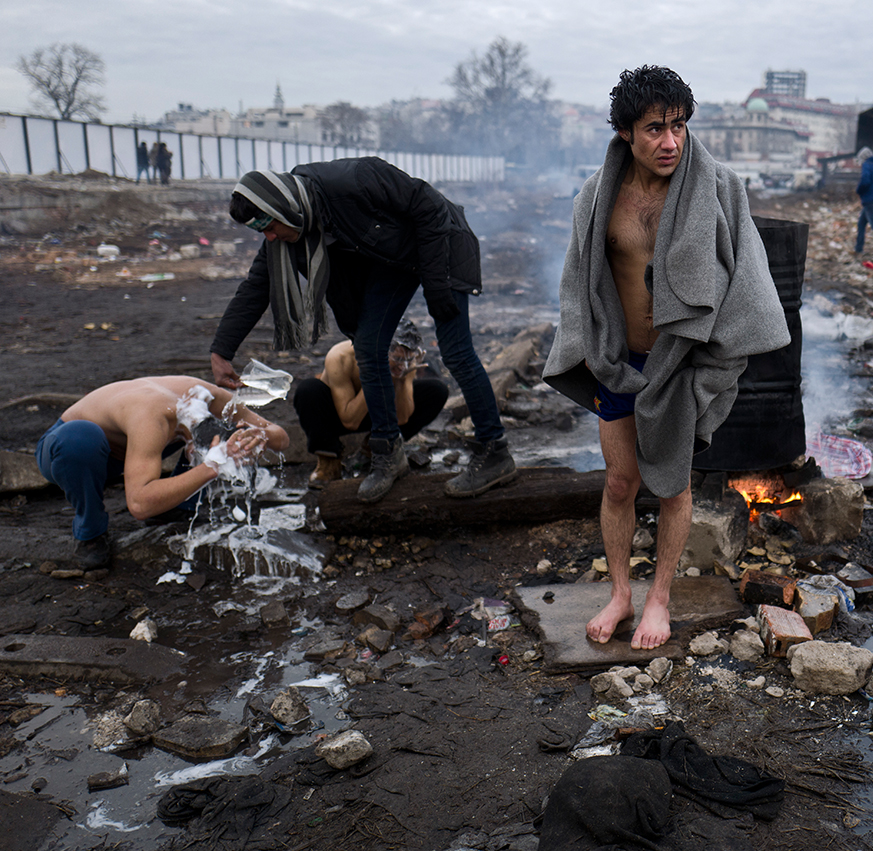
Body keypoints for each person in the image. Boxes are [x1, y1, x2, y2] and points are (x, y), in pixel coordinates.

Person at [543, 66, 789, 650]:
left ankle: (660, 599)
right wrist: (588, 344)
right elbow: (581, 280)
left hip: (678, 362)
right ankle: (622, 593)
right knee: (621, 482)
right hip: (618, 358)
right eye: (655, 128)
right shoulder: (598, 197)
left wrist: (717, 363)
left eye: (678, 125)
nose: (671, 141)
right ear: (626, 132)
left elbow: (747, 285)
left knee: (674, 488)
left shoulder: (719, 187)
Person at [212, 157, 516, 503]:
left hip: (439, 241)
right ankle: (388, 455)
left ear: (282, 205)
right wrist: (222, 351)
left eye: (268, 224)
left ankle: (495, 452)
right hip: (394, 258)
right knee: (369, 348)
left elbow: (428, 205)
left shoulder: (354, 179)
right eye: (259, 230)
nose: (268, 236)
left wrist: (436, 288)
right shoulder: (290, 229)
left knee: (456, 350)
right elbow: (255, 287)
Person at [35, 376, 289, 570]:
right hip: (70, 449)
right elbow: (138, 504)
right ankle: (90, 530)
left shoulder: (210, 399)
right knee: (79, 440)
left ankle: (175, 507)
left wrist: (259, 435)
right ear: (193, 444)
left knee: (196, 463)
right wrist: (211, 466)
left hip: (131, 448)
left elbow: (281, 437)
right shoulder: (152, 421)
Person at [294, 319, 448, 484]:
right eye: (396, 359)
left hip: (379, 413)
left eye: (407, 360)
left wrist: (400, 381)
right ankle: (328, 462)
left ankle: (375, 448)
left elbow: (403, 419)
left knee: (436, 390)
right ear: (380, 350)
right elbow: (349, 421)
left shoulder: (405, 361)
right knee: (307, 390)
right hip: (341, 414)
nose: (402, 366)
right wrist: (375, 374)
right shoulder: (340, 356)